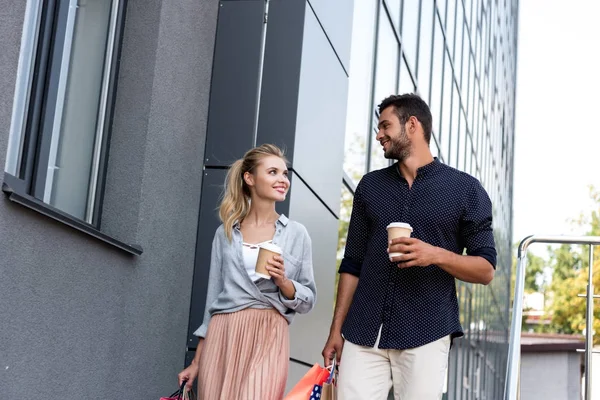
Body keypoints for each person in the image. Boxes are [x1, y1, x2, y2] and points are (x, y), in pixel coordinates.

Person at [322, 94, 496, 400]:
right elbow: (352, 263)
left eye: (385, 126)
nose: (379, 135)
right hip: (364, 332)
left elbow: (485, 270)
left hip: (426, 330)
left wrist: (434, 254)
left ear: (412, 125)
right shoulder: (370, 186)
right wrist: (336, 330)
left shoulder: (466, 190)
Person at [178, 144, 316, 399]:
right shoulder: (226, 233)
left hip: (269, 331)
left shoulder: (297, 234)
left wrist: (284, 281)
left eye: (285, 174)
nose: (283, 180)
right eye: (273, 172)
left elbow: (308, 300)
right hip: (224, 332)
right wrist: (197, 362)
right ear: (249, 178)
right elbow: (214, 299)